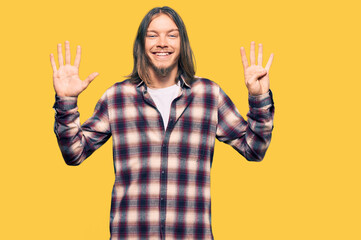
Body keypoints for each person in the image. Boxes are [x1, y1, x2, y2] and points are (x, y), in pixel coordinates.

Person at [51, 6, 274, 240]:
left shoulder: (209, 95)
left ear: (182, 43)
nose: (162, 42)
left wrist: (259, 98)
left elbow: (254, 149)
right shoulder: (116, 97)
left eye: (171, 34)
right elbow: (74, 153)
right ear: (141, 43)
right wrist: (67, 101)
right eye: (152, 34)